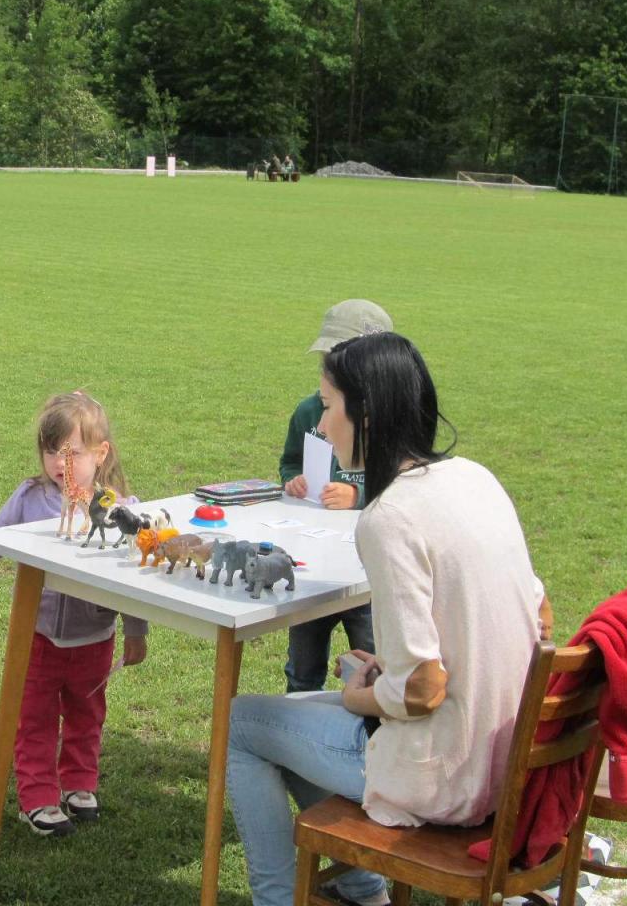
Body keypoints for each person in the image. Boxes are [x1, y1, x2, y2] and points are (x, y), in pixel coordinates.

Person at [227, 332, 551, 906]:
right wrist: (387, 673)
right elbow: (540, 617)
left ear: (367, 414)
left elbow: (422, 689)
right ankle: (361, 888)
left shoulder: (389, 517)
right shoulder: (477, 478)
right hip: (508, 759)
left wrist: (360, 696)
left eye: (329, 406)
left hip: (446, 772)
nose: (321, 426)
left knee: (243, 723)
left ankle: (277, 900)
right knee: (290, 720)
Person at [0, 392, 148, 837]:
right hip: (38, 637)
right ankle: (38, 797)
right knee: (36, 718)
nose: (60, 463)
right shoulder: (31, 497)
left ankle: (80, 783)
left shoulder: (120, 509)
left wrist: (136, 631)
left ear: (101, 453)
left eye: (73, 453)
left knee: (87, 714)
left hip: (96, 638)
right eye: (50, 451)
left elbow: (134, 576)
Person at [278, 300, 393, 694]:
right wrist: (292, 481)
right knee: (303, 666)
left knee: (375, 663)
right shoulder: (308, 412)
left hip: (365, 568)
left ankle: (371, 724)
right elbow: (290, 461)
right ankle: (300, 712)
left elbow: (403, 486)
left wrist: (357, 494)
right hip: (313, 560)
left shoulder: (394, 423)